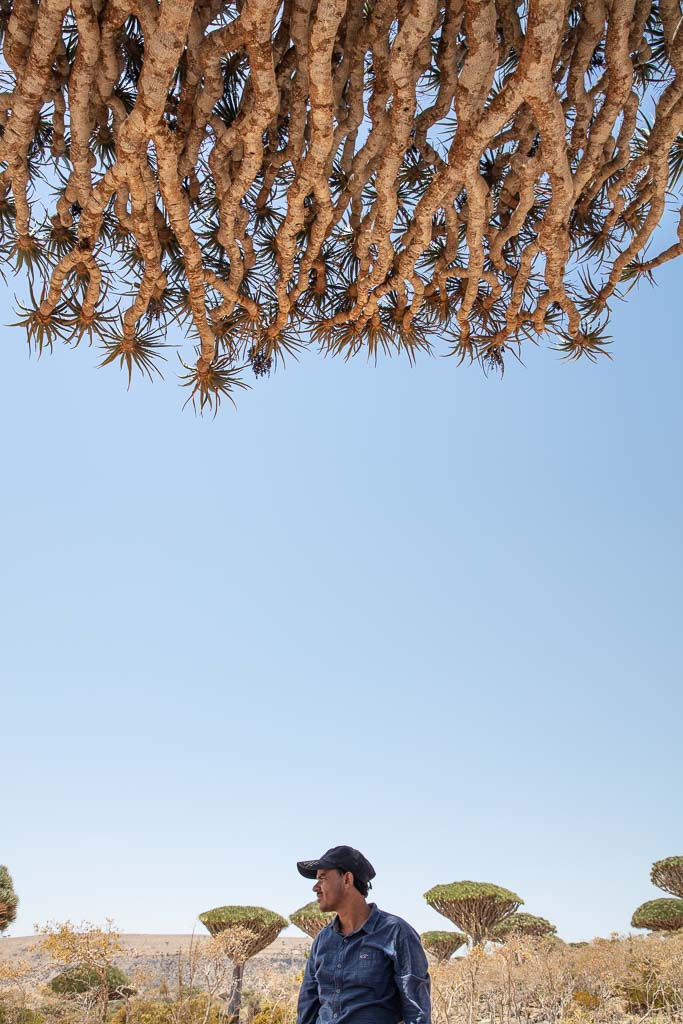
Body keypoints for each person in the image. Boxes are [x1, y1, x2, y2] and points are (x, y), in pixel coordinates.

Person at [296, 846, 431, 1024]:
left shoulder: (396, 933)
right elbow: (307, 1009)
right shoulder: (322, 940)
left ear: (347, 879)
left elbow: (417, 1013)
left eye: (322, 878)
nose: (315, 887)